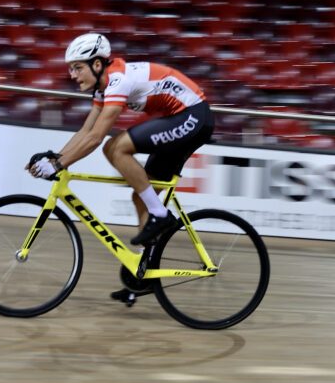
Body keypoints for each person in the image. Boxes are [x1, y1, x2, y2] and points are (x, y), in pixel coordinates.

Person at [26, 33, 214, 250]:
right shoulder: (102, 87)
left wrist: (58, 166)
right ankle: (144, 274)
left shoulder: (118, 80)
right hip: (181, 117)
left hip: (192, 115)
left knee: (115, 147)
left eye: (78, 68)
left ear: (97, 64)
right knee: (141, 197)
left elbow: (96, 137)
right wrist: (56, 157)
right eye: (71, 69)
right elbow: (86, 130)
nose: (72, 75)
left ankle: (161, 214)